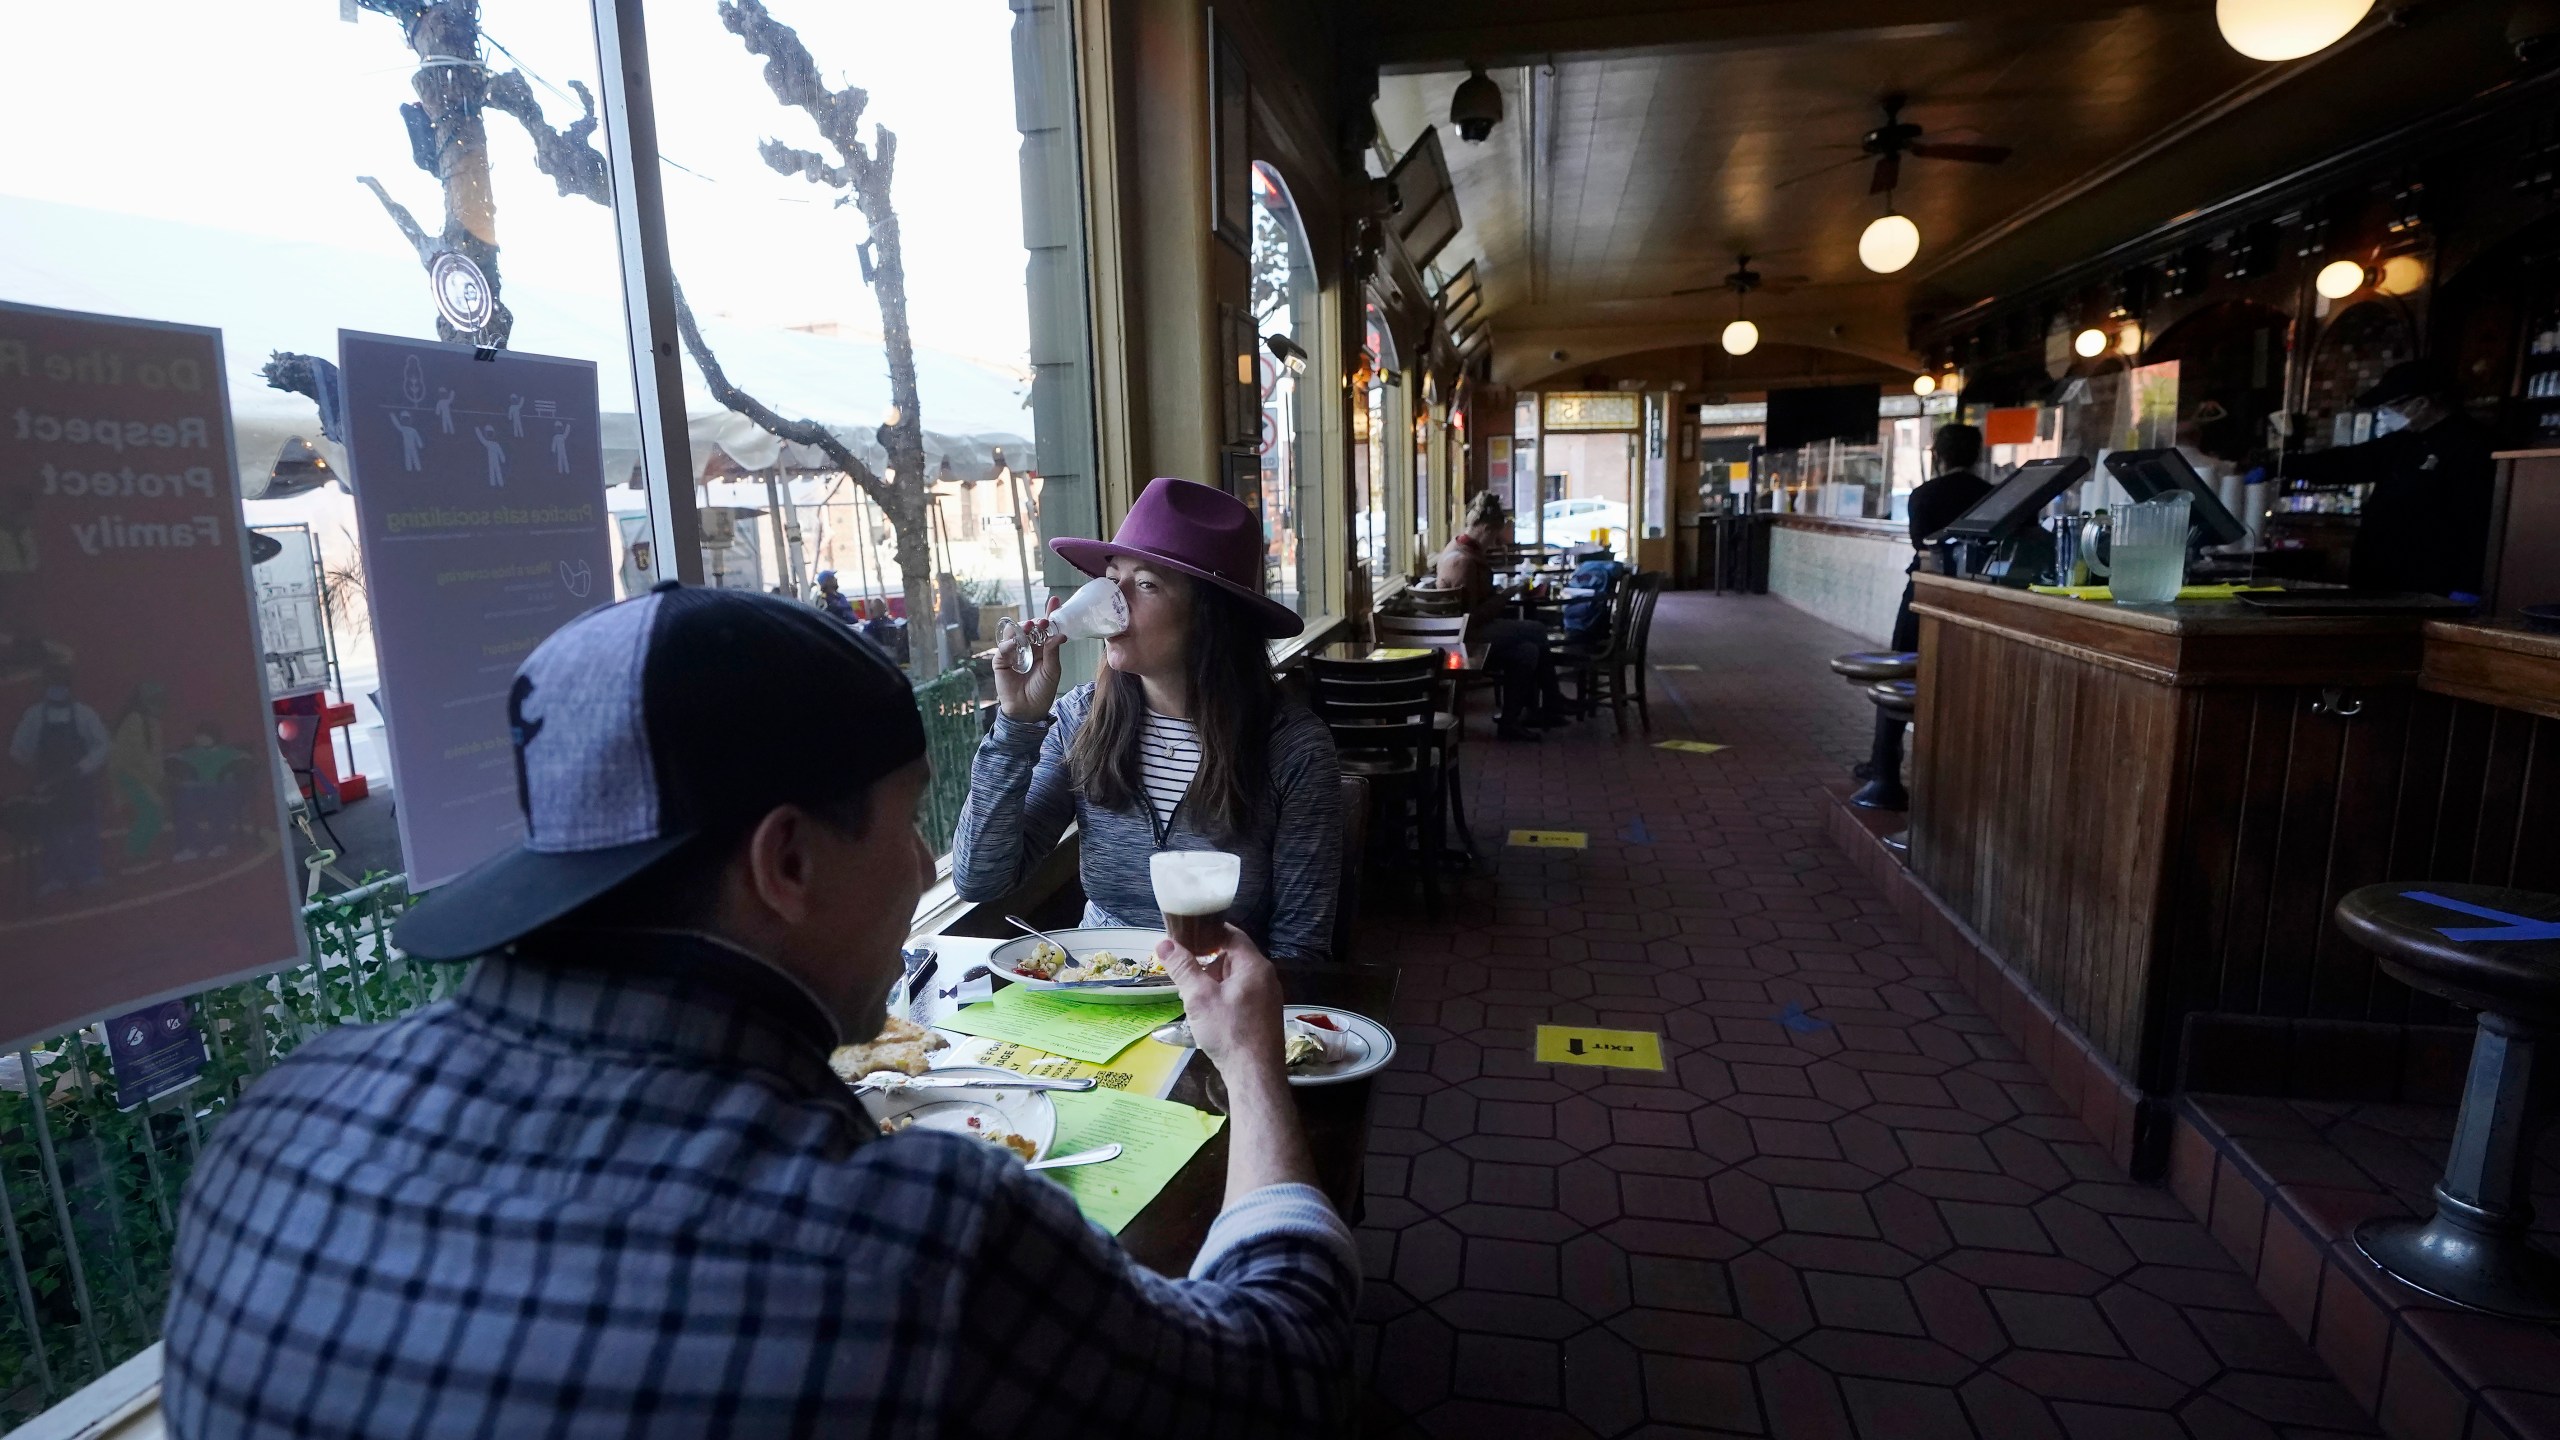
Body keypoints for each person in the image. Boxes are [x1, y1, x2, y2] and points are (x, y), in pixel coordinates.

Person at [161, 583, 1357, 1435]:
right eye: (903, 826)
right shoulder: (916, 1244)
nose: (922, 863)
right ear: (786, 863)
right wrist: (1252, 1065)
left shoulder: (269, 1128)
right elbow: (1282, 1371)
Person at [954, 477, 1343, 962]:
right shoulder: (1078, 719)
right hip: (1091, 995)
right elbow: (980, 878)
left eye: (1144, 584)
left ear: (1210, 617)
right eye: (1110, 579)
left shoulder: (1292, 749)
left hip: (1219, 1004)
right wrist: (1015, 728)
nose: (1112, 603)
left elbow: (1300, 950)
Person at [2279, 359, 2494, 596]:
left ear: (2421, 403)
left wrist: (2467, 584)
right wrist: (2280, 466)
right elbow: (2347, 462)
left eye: (2390, 407)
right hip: (2379, 575)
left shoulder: (2473, 445)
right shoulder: (2404, 442)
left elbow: (2478, 521)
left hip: (2429, 581)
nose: (2384, 415)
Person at [1435, 490, 1569, 740]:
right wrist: (1505, 595)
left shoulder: (1458, 547)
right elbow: (1473, 617)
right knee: (1537, 630)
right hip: (1465, 637)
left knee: (1528, 651)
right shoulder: (1463, 562)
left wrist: (1498, 593)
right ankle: (1552, 703)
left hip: (1460, 631)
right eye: (1495, 536)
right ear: (1485, 529)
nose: (1496, 543)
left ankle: (1516, 719)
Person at [8, 660, 110, 897]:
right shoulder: (33, 716)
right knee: (52, 829)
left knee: (85, 826)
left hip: (79, 782)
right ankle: (54, 876)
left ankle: (90, 873)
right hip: (48, 785)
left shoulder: (85, 714)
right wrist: (38, 770)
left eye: (60, 684)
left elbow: (102, 745)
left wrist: (83, 768)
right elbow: (18, 749)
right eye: (52, 684)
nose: (56, 689)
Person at [1890, 422, 1992, 652]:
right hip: (1978, 590)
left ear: (1938, 455)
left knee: (1910, 659)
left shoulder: (1923, 494)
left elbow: (1921, 544)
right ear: (1977, 455)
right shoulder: (1991, 495)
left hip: (1927, 585)